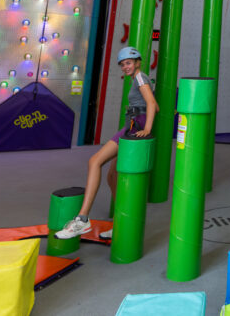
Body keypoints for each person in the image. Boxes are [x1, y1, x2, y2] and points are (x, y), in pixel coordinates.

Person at [55, 47, 158, 239]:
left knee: (94, 161)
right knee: (112, 176)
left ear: (137, 62)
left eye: (128, 63)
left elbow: (152, 104)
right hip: (132, 125)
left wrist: (147, 128)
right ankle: (122, 221)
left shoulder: (140, 78)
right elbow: (153, 104)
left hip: (135, 127)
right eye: (122, 65)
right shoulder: (137, 79)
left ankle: (82, 219)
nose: (124, 67)